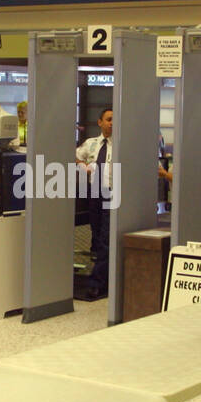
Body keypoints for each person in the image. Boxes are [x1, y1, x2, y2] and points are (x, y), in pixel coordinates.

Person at [76, 107, 114, 299]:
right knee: (97, 236)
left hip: (112, 194)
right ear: (100, 122)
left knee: (106, 239)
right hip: (94, 193)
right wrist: (83, 166)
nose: (112, 123)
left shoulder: (121, 144)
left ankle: (96, 282)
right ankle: (105, 277)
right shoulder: (91, 144)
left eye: (114, 119)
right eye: (108, 119)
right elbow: (76, 156)